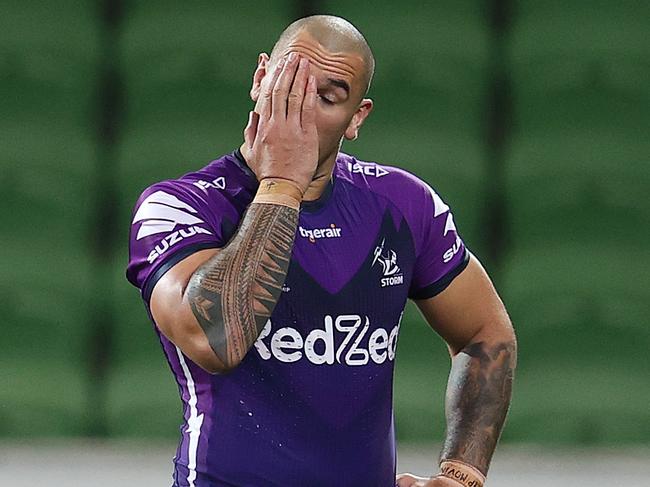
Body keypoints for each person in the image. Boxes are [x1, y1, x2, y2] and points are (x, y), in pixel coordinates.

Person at [127, 14, 516, 487]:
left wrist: (462, 474)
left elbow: (486, 334)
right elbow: (213, 338)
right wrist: (282, 185)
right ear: (260, 78)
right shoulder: (180, 206)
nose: (303, 109)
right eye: (291, 83)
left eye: (329, 98)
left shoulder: (403, 205)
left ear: (357, 117)